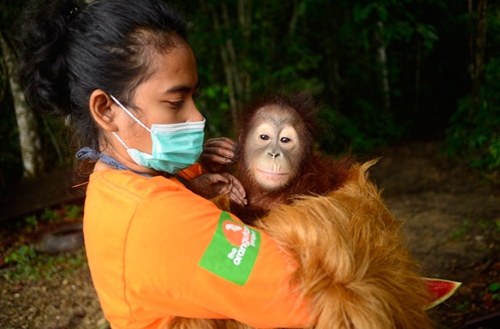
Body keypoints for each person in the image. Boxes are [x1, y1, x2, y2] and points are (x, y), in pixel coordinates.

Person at [17, 0, 313, 328]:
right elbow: (306, 300)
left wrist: (196, 190)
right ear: (106, 110)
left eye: (193, 97)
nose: (198, 116)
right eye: (175, 102)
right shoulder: (155, 217)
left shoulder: (132, 176)